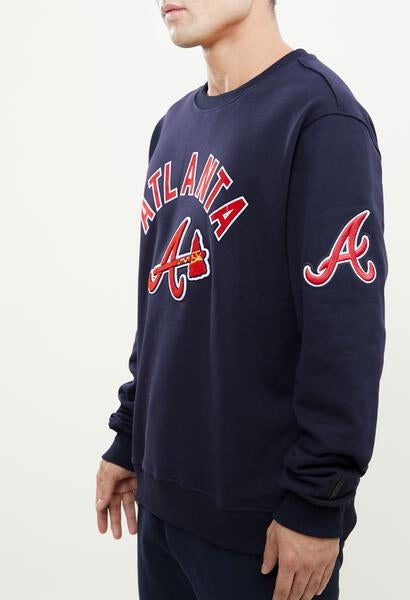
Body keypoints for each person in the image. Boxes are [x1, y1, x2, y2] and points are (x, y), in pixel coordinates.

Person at [95, 1, 388, 599]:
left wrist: (318, 500)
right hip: (162, 504)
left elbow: (344, 331)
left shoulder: (320, 117)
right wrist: (129, 434)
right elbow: (161, 308)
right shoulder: (173, 126)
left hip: (263, 528)